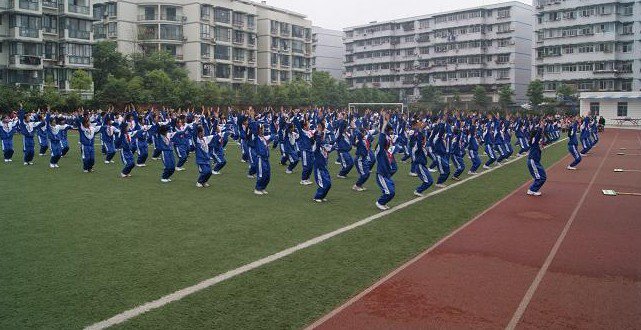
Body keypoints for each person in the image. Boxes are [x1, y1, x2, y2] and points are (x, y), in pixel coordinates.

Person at [375, 111, 397, 210]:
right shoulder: (380, 150)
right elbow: (382, 137)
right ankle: (380, 202)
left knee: (392, 190)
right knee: (390, 192)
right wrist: (384, 124)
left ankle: (383, 202)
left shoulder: (387, 152)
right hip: (381, 175)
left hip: (386, 174)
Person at [410, 119, 433, 197]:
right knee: (428, 181)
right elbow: (419, 140)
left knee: (430, 181)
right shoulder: (418, 146)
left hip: (423, 165)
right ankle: (418, 191)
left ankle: (419, 190)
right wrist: (420, 130)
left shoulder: (423, 146)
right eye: (425, 139)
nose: (426, 140)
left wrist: (422, 128)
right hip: (419, 165)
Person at [312, 120, 333, 202]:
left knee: (329, 184)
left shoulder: (324, 144)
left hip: (324, 167)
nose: (323, 137)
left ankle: (322, 196)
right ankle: (317, 197)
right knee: (323, 184)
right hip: (319, 168)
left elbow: (331, 147)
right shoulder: (315, 146)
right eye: (321, 136)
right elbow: (317, 143)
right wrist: (319, 133)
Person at [526, 121, 546, 196]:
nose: (540, 136)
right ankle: (531, 190)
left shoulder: (535, 142)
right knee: (539, 178)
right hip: (532, 161)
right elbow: (537, 136)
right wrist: (541, 127)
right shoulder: (534, 141)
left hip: (536, 162)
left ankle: (534, 189)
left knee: (543, 177)